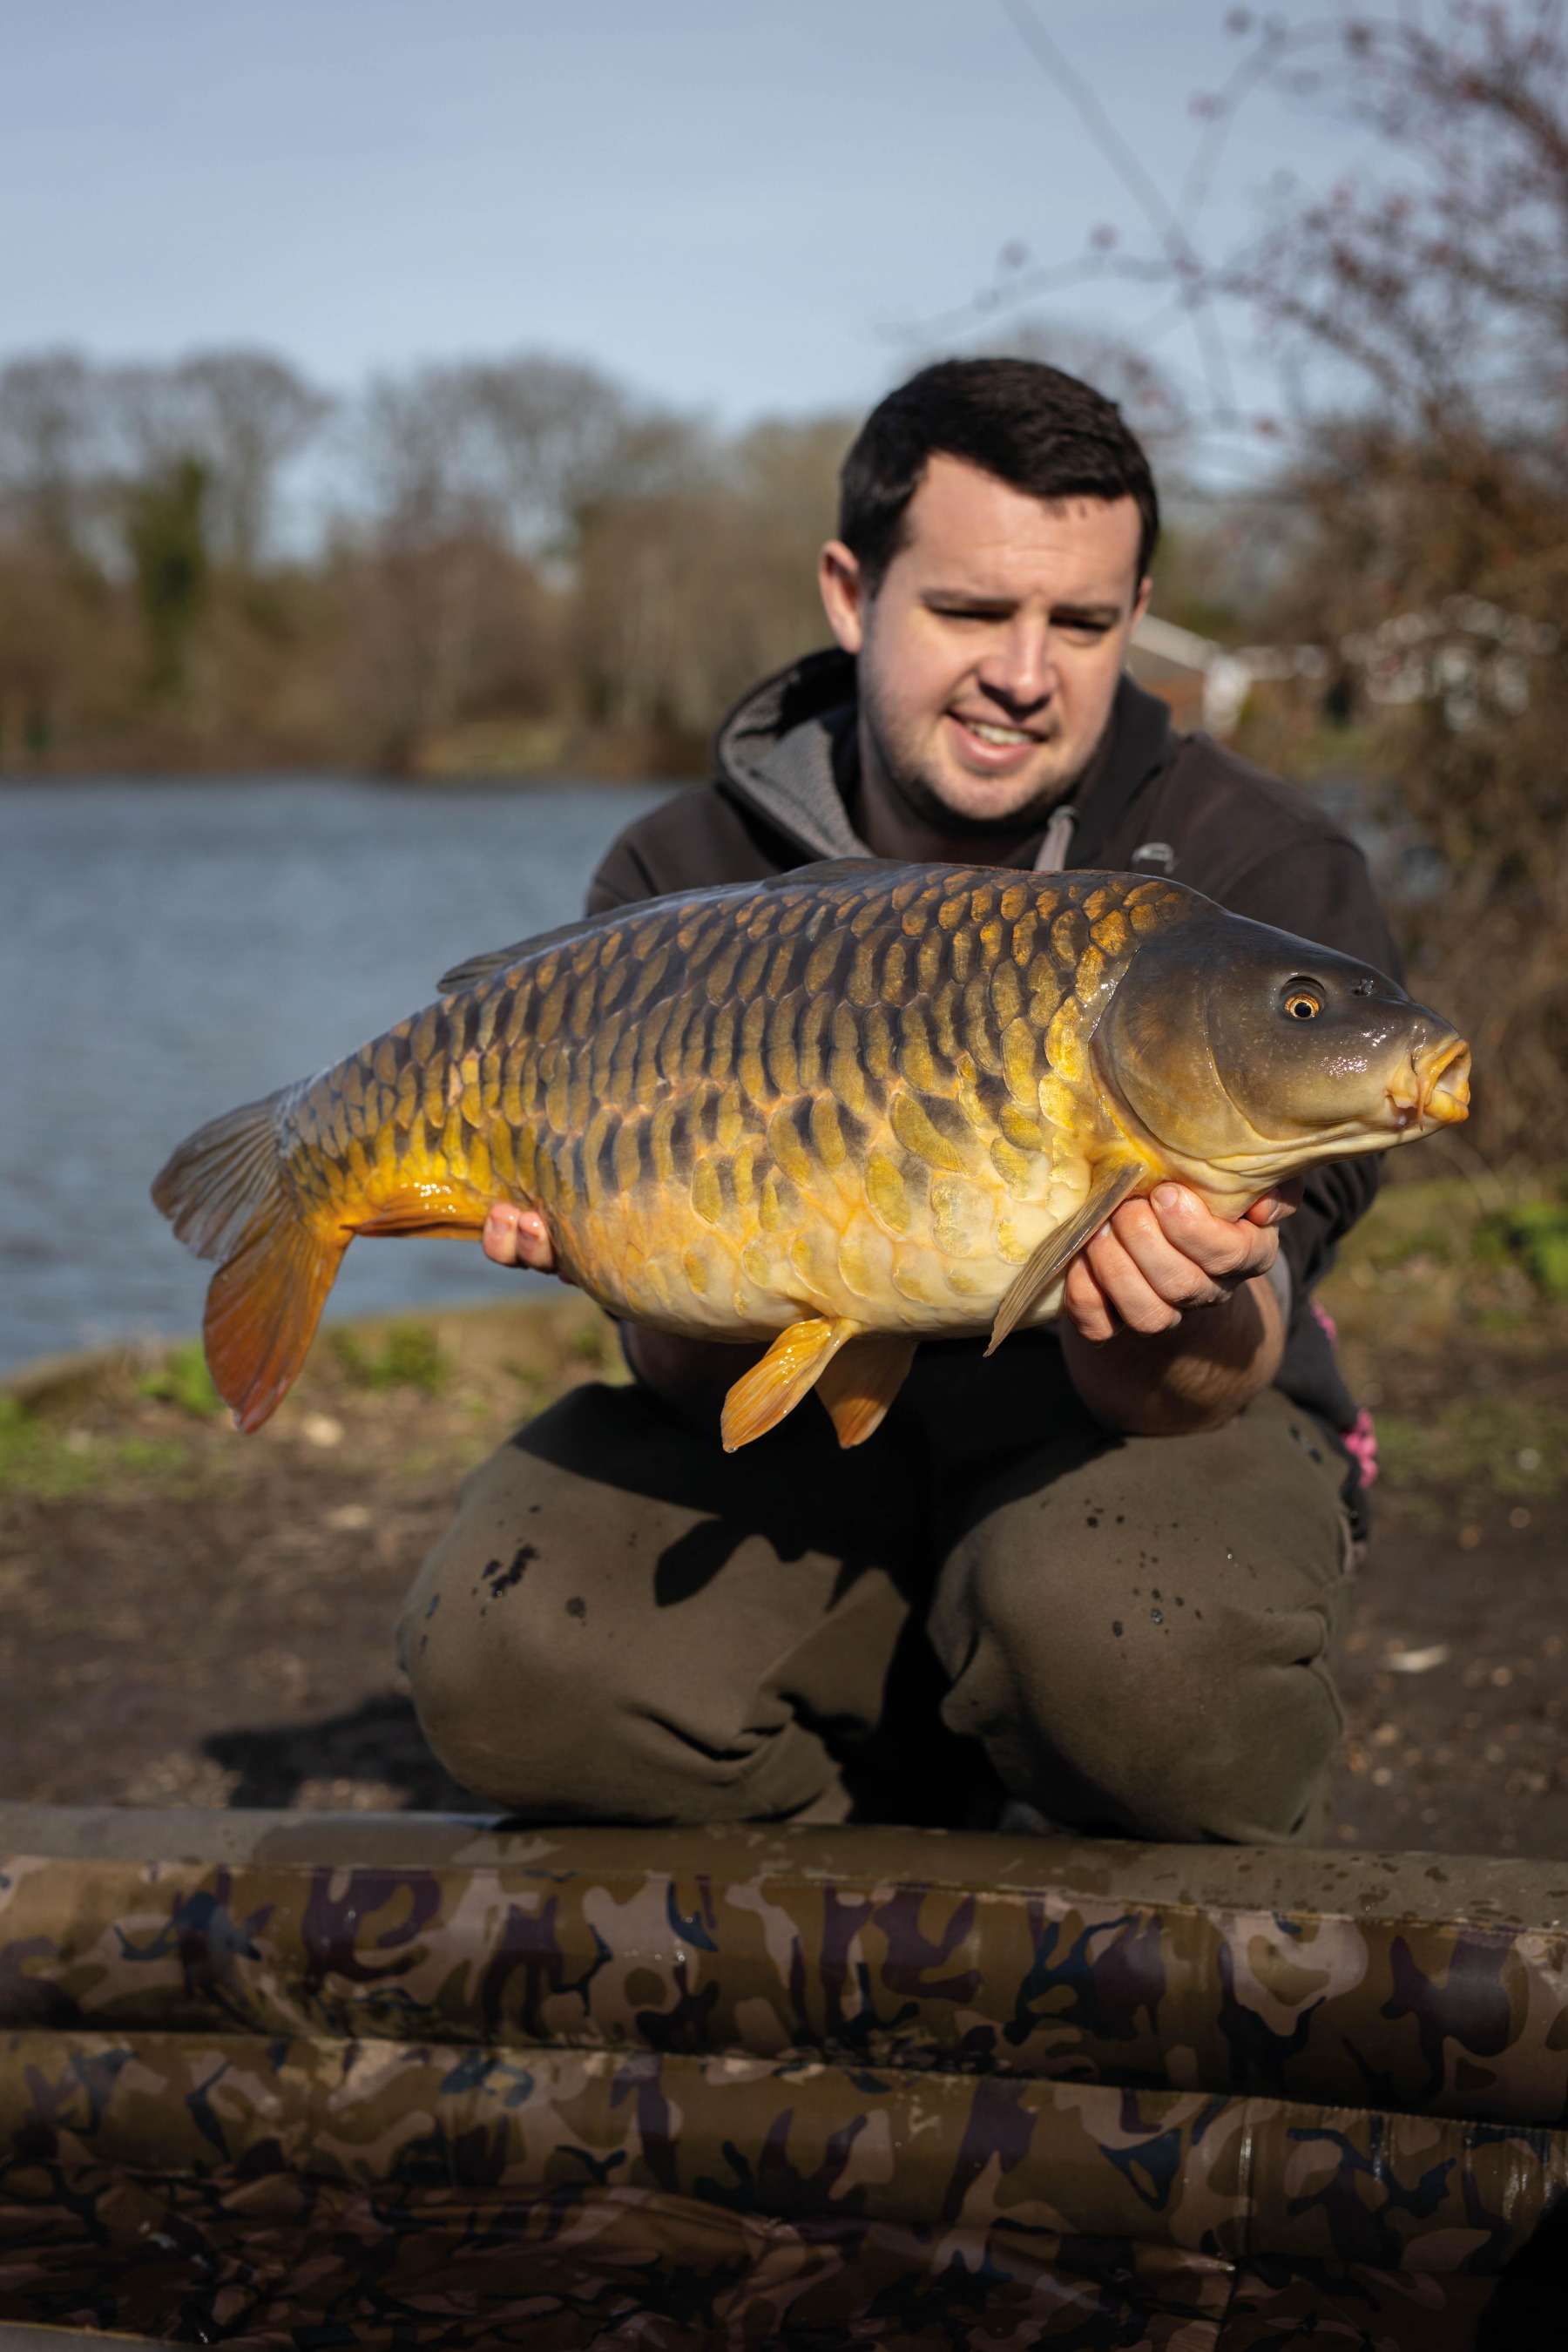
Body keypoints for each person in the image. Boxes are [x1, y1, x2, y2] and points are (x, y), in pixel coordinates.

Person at [397, 359, 1397, 1842]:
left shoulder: (1261, 885)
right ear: (851, 593)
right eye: (973, 611)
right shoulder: (680, 875)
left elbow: (1221, 1369)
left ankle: (1072, 1737)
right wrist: (651, 1266)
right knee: (517, 1666)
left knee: (1156, 1685)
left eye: (1082, 623)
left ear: (1135, 618)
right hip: (793, 1450)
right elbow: (682, 1379)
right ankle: (895, 1791)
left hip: (1134, 1443)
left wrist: (1180, 1304)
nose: (1025, 672)